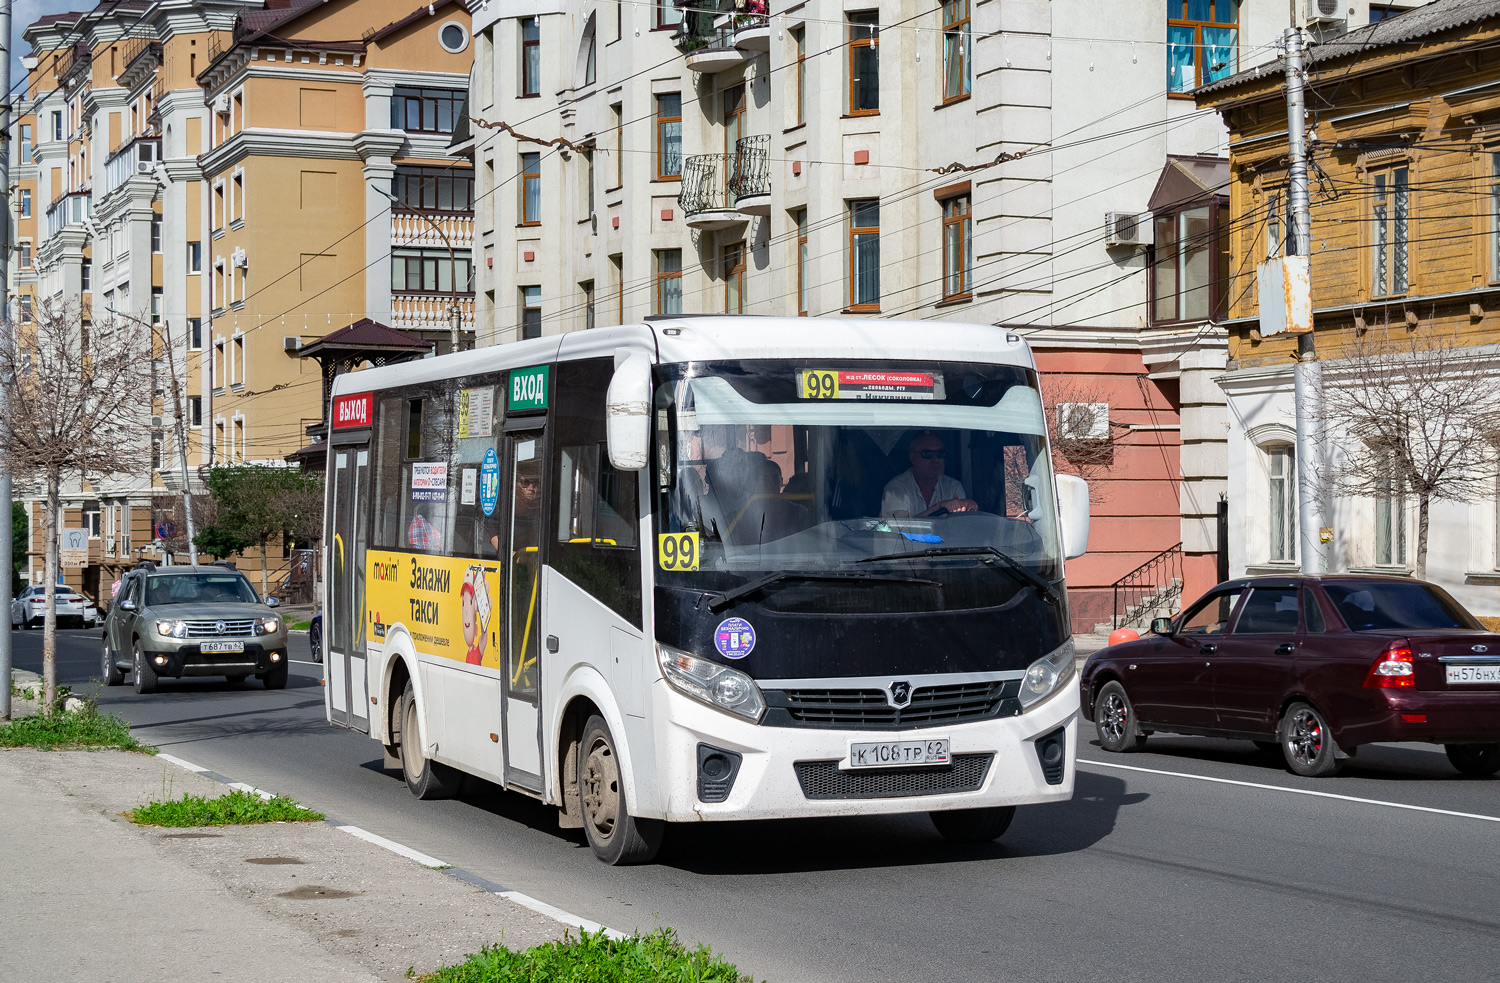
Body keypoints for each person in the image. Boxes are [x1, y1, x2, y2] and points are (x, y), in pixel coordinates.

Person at [881, 431, 978, 518]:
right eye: (927, 454)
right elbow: (899, 532)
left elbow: (960, 527)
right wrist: (938, 507)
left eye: (940, 454)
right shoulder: (895, 490)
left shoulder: (953, 487)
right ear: (912, 457)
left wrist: (969, 507)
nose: (935, 460)